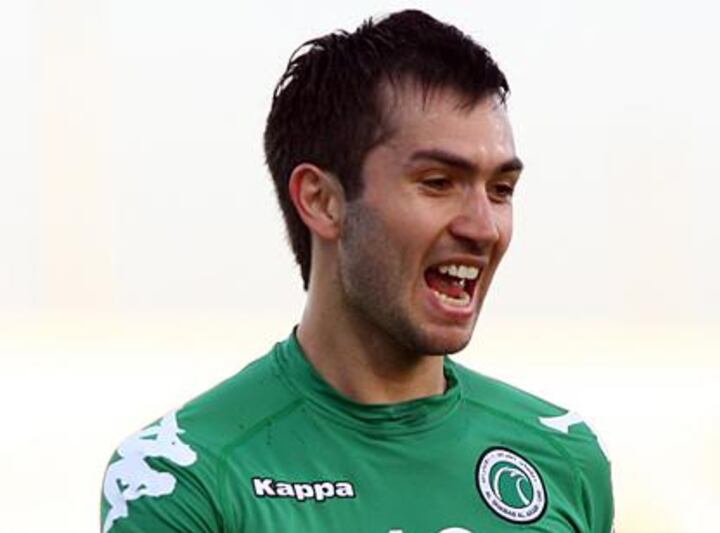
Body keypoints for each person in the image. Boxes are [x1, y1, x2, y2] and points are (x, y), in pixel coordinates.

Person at [100, 9, 614, 532]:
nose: (484, 228)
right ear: (322, 201)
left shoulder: (563, 454)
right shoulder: (183, 474)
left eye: (500, 190)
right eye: (437, 182)